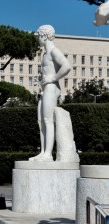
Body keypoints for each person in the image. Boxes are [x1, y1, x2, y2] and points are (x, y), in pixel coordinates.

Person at [30, 25, 71, 162]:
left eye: (39, 35)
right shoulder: (45, 54)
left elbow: (67, 66)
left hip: (51, 88)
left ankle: (48, 154)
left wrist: (53, 78)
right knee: (41, 121)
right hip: (44, 89)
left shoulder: (54, 51)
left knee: (48, 120)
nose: (38, 39)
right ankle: (43, 152)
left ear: (45, 35)